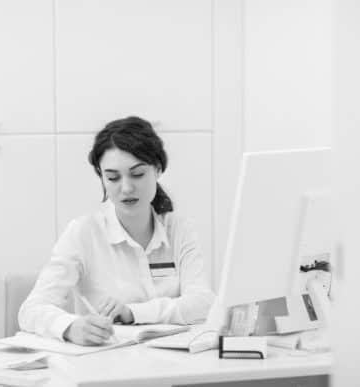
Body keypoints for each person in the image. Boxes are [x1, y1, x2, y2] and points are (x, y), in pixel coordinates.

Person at [18, 116, 215, 346]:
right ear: (102, 177)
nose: (126, 188)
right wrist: (70, 327)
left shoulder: (178, 229)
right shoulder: (84, 233)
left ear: (158, 169)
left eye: (137, 174)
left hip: (174, 364)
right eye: (112, 177)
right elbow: (31, 310)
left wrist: (133, 313)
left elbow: (203, 303)